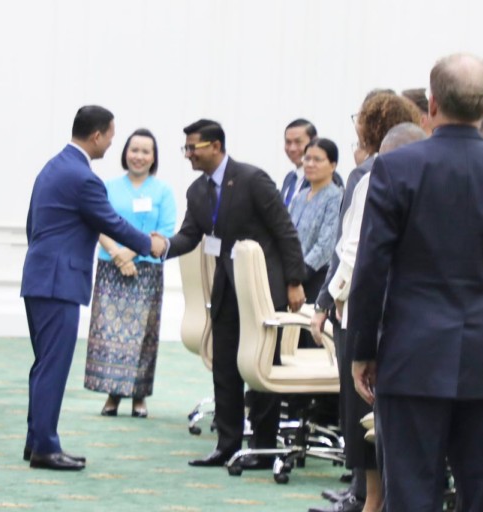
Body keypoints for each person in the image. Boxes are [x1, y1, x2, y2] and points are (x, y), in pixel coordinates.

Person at [348, 54, 483, 511]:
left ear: (431, 104)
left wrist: (363, 350)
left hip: (410, 358)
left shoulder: (395, 168)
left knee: (411, 494)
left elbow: (371, 267)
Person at [21, 106, 165, 471]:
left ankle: (36, 440)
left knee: (43, 364)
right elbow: (110, 221)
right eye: (111, 136)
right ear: (97, 136)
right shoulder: (84, 178)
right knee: (53, 366)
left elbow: (32, 223)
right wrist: (150, 245)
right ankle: (45, 448)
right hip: (59, 283)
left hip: (40, 276)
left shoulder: (53, 166)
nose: (113, 143)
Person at [158, 119, 306, 468]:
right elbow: (190, 236)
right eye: (185, 148)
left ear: (216, 146)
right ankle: (227, 446)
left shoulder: (252, 179)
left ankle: (263, 447)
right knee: (224, 367)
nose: (188, 154)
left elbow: (284, 231)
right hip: (226, 287)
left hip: (263, 289)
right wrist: (160, 246)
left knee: (260, 366)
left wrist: (294, 281)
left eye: (193, 147)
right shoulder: (197, 191)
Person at [309, 90, 420, 512]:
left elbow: (352, 252)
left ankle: (369, 500)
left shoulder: (371, 175)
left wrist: (329, 301)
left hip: (365, 313)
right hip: (413, 319)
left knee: (367, 414)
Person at [84, 128, 176, 418]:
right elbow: (96, 221)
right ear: (125, 153)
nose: (139, 156)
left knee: (143, 336)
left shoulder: (163, 191)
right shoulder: (108, 186)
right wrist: (117, 254)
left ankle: (139, 396)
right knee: (110, 335)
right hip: (111, 267)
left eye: (145, 151)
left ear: (154, 157)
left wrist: (131, 252)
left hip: (146, 269)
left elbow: (165, 231)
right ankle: (112, 395)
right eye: (134, 150)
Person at [288, 138, 343, 302]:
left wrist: (297, 277)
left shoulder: (336, 197)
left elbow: (325, 246)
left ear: (332, 165)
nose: (310, 164)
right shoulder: (300, 197)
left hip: (317, 277)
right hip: (292, 274)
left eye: (317, 160)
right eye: (307, 158)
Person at [281, 118, 344, 207]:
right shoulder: (289, 178)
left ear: (314, 141)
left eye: (298, 142)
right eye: (288, 142)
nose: (292, 148)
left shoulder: (328, 177)